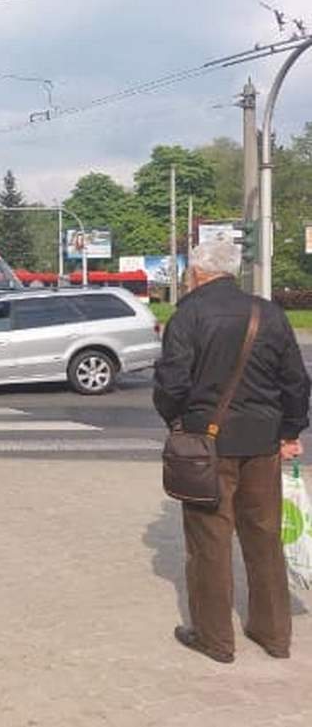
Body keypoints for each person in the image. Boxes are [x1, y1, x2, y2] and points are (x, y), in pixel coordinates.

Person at [153, 239, 310, 663]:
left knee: (210, 540)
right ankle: (275, 636)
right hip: (263, 444)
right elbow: (296, 381)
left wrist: (177, 423)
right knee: (264, 538)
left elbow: (171, 384)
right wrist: (291, 430)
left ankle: (215, 639)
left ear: (198, 274)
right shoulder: (269, 313)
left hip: (208, 446)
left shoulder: (188, 316)